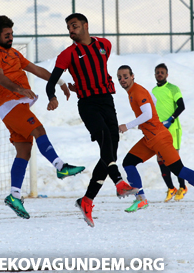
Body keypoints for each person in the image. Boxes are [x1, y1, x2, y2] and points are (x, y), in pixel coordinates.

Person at [0, 15, 85, 220]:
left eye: (12, 34)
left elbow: (36, 69)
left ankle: (14, 195)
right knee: (38, 130)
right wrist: (19, 89)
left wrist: (60, 81)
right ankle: (60, 166)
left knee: (24, 151)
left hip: (16, 105)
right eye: (6, 35)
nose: (11, 37)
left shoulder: (14, 53)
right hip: (10, 104)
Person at [46, 13, 138, 227]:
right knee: (105, 139)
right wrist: (52, 96)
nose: (71, 30)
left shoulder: (104, 44)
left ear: (85, 26)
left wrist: (85, 83)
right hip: (87, 105)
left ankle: (86, 200)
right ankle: (119, 182)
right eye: (69, 27)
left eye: (75, 26)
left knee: (110, 152)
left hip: (107, 101)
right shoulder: (67, 54)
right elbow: (50, 83)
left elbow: (96, 71)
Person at [117, 65, 194, 213]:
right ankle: (141, 200)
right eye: (119, 77)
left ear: (132, 76)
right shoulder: (133, 91)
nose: (122, 80)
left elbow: (146, 113)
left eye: (125, 76)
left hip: (159, 138)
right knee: (128, 163)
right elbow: (153, 100)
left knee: (179, 170)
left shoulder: (137, 91)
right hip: (149, 138)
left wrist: (128, 126)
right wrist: (148, 123)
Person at [151, 63, 188, 202]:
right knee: (160, 159)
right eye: (157, 72)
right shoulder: (153, 91)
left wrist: (171, 120)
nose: (159, 74)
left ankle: (183, 187)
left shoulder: (173, 88)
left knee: (174, 160)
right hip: (159, 131)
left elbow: (182, 106)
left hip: (172, 129)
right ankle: (171, 188)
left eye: (162, 72)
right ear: (155, 75)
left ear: (167, 74)